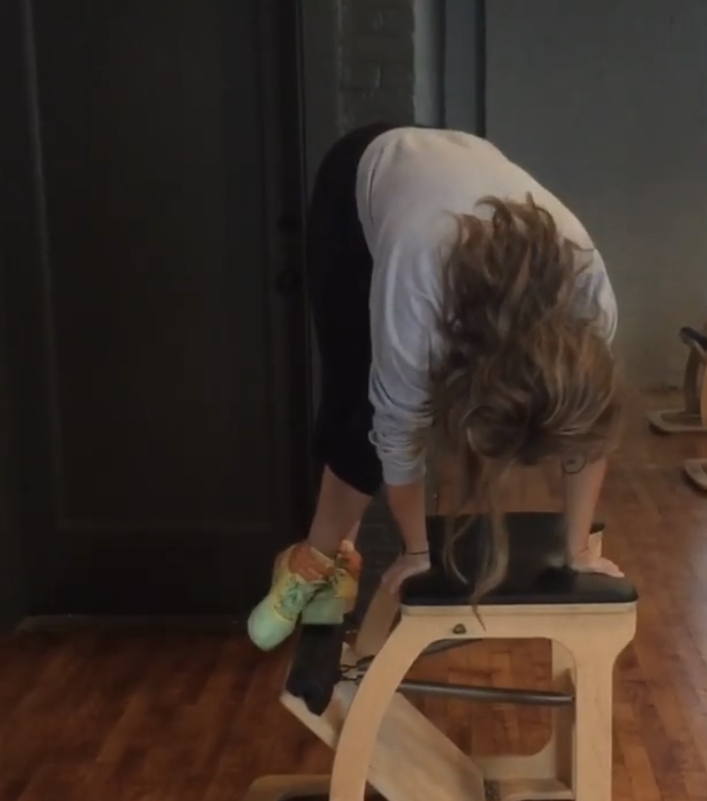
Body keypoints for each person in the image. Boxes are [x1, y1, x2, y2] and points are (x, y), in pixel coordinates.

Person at [248, 123, 624, 652]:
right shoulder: (419, 282)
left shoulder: (589, 297)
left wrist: (579, 549)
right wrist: (417, 553)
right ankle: (313, 560)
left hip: (455, 168)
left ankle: (331, 564)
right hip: (361, 176)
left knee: (379, 409)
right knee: (356, 407)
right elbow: (399, 433)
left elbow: (592, 432)